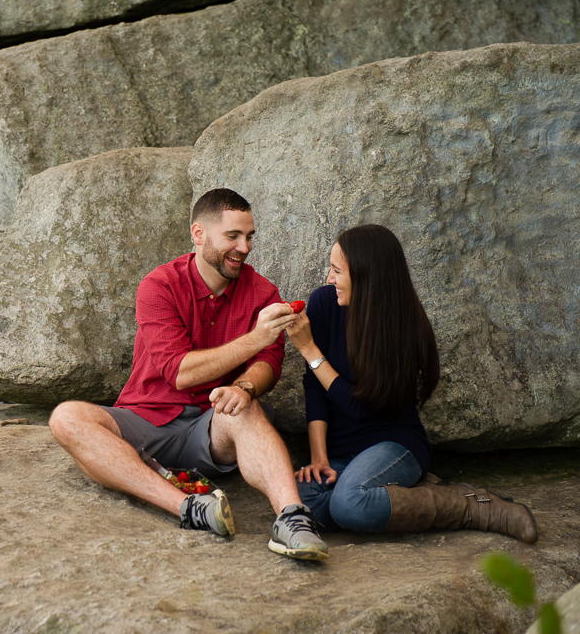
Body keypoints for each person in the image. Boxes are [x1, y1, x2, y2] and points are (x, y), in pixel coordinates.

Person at [49, 188, 329, 561]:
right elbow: (179, 372)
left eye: (249, 237)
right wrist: (255, 338)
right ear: (199, 234)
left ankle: (293, 520)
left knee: (246, 406)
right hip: (145, 419)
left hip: (211, 429)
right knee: (66, 417)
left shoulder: (262, 293)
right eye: (232, 236)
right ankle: (189, 508)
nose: (244, 247)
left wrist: (244, 386)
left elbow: (269, 362)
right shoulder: (159, 286)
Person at [285, 224, 537, 543]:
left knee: (348, 504)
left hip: (393, 445)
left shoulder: (403, 330)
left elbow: (358, 407)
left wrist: (309, 351)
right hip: (339, 455)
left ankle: (469, 506)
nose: (328, 278)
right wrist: (318, 458)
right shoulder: (324, 303)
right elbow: (315, 387)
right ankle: (402, 493)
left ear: (365, 277)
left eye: (337, 271)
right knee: (296, 502)